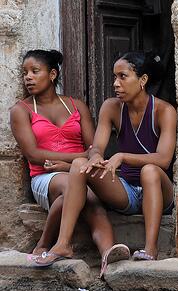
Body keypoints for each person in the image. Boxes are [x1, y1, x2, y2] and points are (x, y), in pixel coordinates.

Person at [35, 51, 176, 266]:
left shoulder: (164, 110)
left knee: (149, 170)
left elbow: (164, 159)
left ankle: (150, 248)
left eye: (123, 76)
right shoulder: (111, 107)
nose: (116, 84)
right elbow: (97, 146)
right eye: (114, 77)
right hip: (126, 192)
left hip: (158, 192)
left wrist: (122, 156)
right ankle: (63, 243)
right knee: (80, 164)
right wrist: (96, 157)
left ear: (143, 80)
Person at [10, 49, 130, 274]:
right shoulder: (21, 110)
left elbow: (94, 148)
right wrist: (78, 158)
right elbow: (35, 154)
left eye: (35, 71)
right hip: (45, 177)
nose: (28, 77)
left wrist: (72, 165)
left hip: (77, 172)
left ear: (52, 74)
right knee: (79, 189)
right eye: (25, 72)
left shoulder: (76, 106)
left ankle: (108, 254)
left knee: (88, 195)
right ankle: (53, 243)